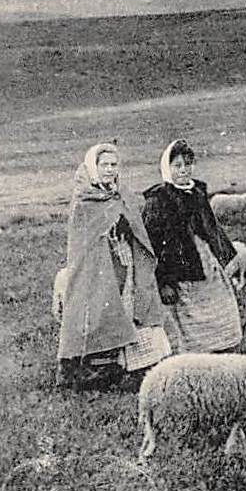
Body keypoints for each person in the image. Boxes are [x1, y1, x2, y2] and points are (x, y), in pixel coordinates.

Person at [58, 143, 171, 390]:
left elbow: (137, 229)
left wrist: (127, 229)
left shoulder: (121, 193)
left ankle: (136, 366)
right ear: (93, 167)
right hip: (100, 271)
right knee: (105, 312)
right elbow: (82, 244)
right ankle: (104, 369)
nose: (109, 170)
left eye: (113, 165)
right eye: (104, 165)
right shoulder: (84, 201)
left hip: (127, 263)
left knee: (133, 308)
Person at [142, 139, 244, 354]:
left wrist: (228, 261)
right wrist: (164, 282)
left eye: (188, 164)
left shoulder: (197, 193)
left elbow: (213, 229)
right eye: (177, 166)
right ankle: (196, 357)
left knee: (221, 309)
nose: (184, 170)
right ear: (167, 168)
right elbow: (153, 244)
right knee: (189, 318)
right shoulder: (159, 200)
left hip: (208, 264)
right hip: (181, 270)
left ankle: (223, 349)